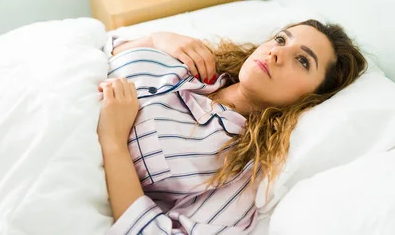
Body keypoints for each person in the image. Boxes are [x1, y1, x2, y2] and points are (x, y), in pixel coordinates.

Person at [96, 19, 367, 234]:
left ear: (312, 99)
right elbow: (99, 50)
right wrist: (156, 39)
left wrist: (113, 142)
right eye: (281, 39)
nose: (276, 53)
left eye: (302, 60)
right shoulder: (196, 62)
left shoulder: (238, 168)